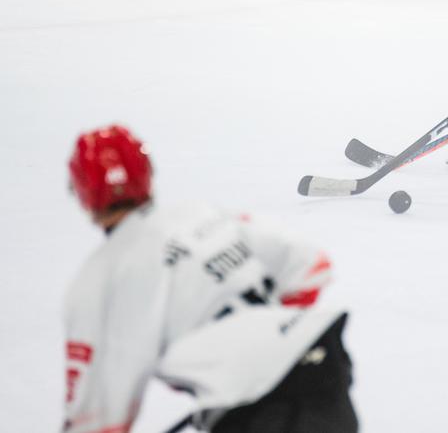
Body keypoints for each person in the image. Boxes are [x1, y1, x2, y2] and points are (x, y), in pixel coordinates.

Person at [62, 125, 358, 432]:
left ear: (81, 190)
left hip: (261, 410)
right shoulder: (202, 216)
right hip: (324, 372)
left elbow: (95, 421)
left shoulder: (97, 282)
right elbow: (310, 267)